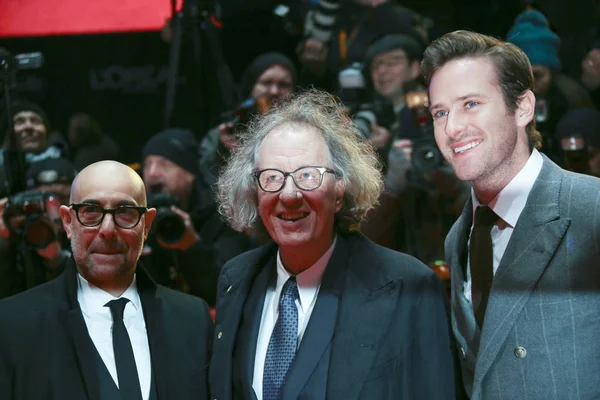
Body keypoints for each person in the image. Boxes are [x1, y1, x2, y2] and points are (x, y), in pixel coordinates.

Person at [210, 89, 456, 399]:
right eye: (272, 177)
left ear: (340, 190)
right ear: (254, 191)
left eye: (308, 176)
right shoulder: (236, 279)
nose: (289, 195)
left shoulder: (408, 286)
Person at [422, 30, 600, 400]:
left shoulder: (591, 209)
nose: (452, 128)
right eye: (440, 112)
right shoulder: (459, 236)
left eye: (470, 104)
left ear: (523, 107)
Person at [0, 161, 213, 400]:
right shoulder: (13, 325)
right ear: (68, 222)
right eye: (91, 211)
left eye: (125, 212)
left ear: (147, 225)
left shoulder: (193, 319)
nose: (108, 229)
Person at [142, 128, 251, 305]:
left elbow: (228, 290)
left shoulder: (223, 214)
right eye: (147, 165)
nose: (152, 173)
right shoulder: (139, 216)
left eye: (164, 164)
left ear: (190, 174)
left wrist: (192, 246)